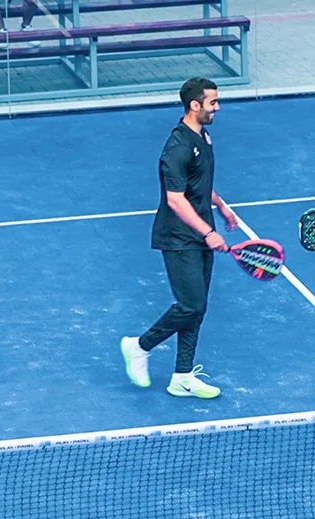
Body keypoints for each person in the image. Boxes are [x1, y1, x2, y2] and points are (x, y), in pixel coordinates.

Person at [121, 78, 239, 398]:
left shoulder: (203, 137)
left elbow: (197, 183)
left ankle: (182, 376)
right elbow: (175, 199)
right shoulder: (178, 147)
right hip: (178, 237)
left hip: (200, 233)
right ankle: (139, 346)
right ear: (194, 106)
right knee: (191, 304)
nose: (218, 107)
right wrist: (209, 232)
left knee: (197, 308)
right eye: (213, 102)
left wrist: (221, 206)